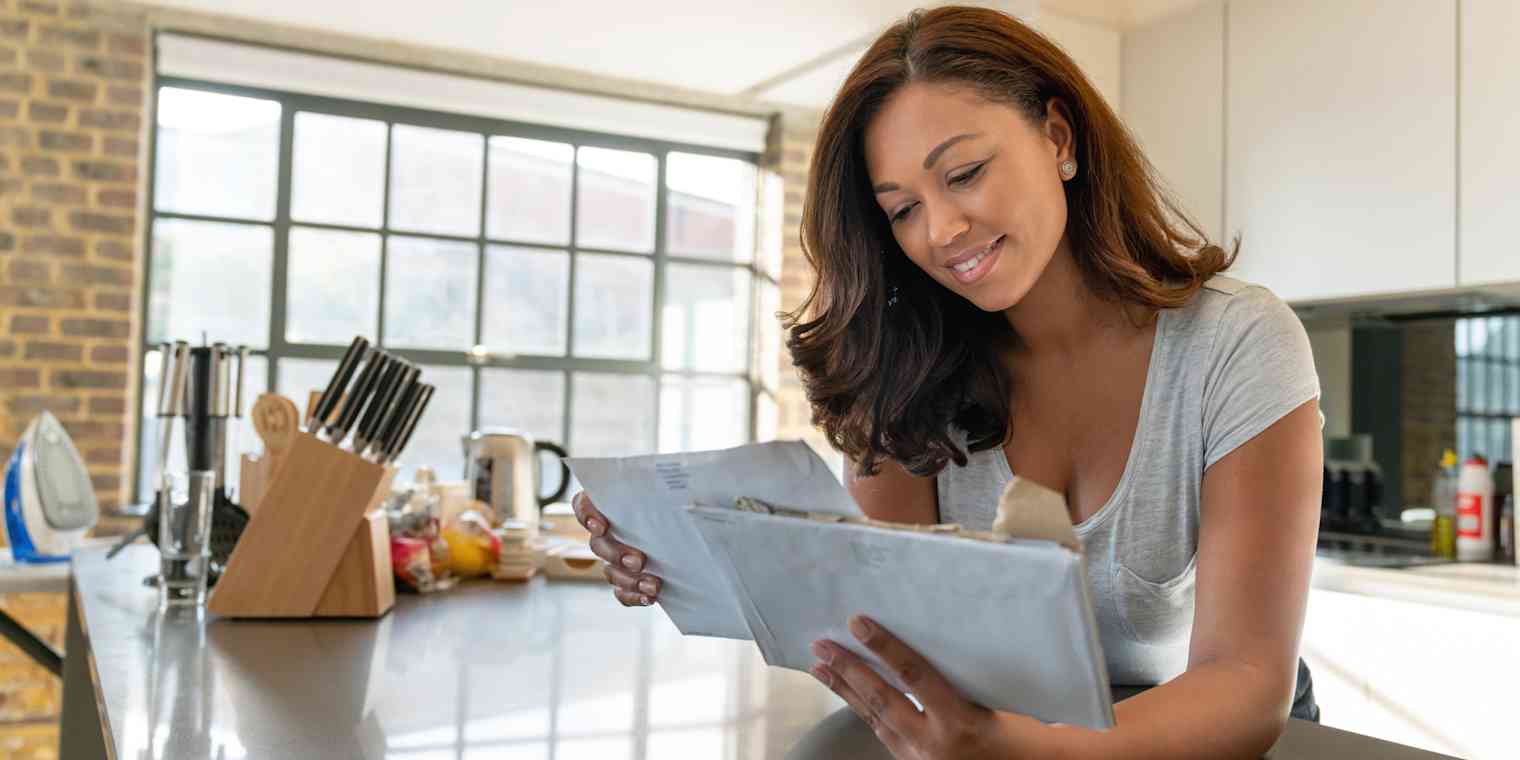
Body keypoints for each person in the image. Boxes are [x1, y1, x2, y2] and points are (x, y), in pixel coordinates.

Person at [571, 6, 1323, 758]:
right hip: (990, 735)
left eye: (964, 174)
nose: (940, 232)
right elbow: (884, 623)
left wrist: (1031, 753)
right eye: (902, 209)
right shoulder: (903, 369)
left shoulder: (1237, 342)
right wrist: (689, 564)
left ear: (1059, 139)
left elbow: (1248, 681)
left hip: (1199, 736)